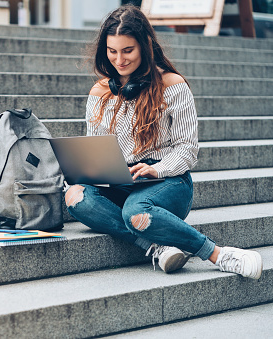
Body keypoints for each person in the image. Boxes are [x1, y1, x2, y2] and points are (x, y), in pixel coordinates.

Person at [65, 5, 263, 279]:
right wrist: (86, 169)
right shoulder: (100, 92)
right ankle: (157, 244)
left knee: (135, 211)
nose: (119, 60)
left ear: (144, 47)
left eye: (128, 51)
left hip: (168, 181)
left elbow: (187, 149)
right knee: (76, 197)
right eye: (112, 52)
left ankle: (219, 254)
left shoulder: (173, 86)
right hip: (120, 180)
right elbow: (94, 149)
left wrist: (156, 169)